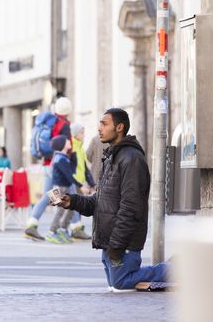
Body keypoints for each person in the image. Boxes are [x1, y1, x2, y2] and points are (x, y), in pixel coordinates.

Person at [54, 108, 168, 290]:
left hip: (123, 242)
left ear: (119, 127)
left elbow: (131, 207)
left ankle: (174, 269)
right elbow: (100, 201)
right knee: (117, 282)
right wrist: (72, 201)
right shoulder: (111, 157)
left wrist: (117, 245)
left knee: (121, 282)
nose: (99, 128)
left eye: (104, 124)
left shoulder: (132, 159)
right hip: (109, 241)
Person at [23, 97, 73, 241]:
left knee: (56, 195)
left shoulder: (50, 122)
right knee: (65, 194)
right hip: (57, 165)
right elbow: (67, 146)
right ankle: (59, 228)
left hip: (47, 163)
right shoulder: (63, 125)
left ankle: (33, 225)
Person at [44, 135, 86, 244]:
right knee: (60, 211)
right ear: (62, 145)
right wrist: (81, 186)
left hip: (64, 187)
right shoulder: (59, 159)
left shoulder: (63, 157)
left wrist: (74, 156)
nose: (69, 141)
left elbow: (72, 170)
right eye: (66, 141)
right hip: (58, 188)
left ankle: (62, 229)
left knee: (71, 209)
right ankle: (51, 232)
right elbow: (69, 176)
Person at [69, 123, 95, 240]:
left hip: (79, 181)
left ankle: (76, 231)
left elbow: (84, 168)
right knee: (73, 205)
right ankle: (74, 230)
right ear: (75, 134)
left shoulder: (80, 147)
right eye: (82, 133)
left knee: (78, 206)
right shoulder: (72, 147)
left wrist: (92, 183)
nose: (84, 135)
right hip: (72, 181)